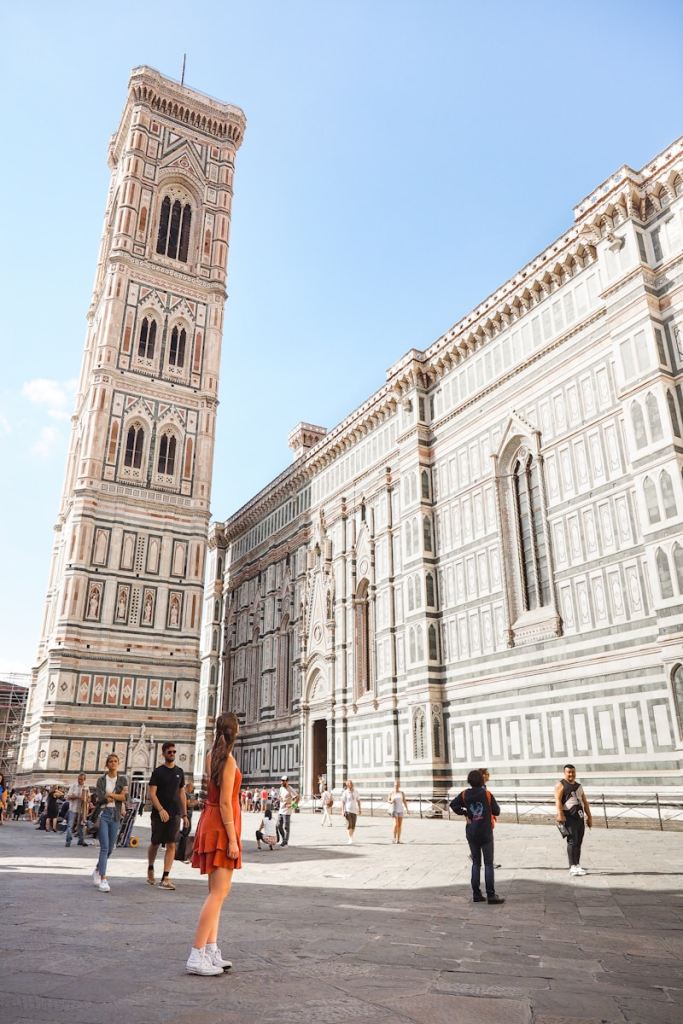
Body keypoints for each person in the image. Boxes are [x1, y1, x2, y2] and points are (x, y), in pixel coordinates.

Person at [187, 712, 242, 976]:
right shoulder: (228, 760)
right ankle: (196, 954)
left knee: (216, 893)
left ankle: (210, 950)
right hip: (221, 825)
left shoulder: (212, 756)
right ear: (235, 731)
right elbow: (225, 802)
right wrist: (232, 839)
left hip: (210, 821)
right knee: (218, 893)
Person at [450, 769, 505, 905]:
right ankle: (491, 895)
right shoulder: (486, 794)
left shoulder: (464, 794)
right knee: (488, 864)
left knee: (476, 863)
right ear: (481, 780)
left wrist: (465, 812)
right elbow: (497, 811)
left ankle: (476, 894)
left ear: (469, 781)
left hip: (472, 832)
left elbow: (453, 805)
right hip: (486, 832)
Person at [147, 741, 189, 890]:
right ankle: (150, 867)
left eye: (174, 752)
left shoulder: (179, 772)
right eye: (169, 752)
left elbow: (182, 793)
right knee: (155, 842)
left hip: (174, 813)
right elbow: (152, 793)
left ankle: (165, 877)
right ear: (163, 754)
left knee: (171, 843)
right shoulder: (158, 772)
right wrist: (160, 809)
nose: (172, 754)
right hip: (158, 814)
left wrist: (184, 814)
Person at [93, 753, 128, 892]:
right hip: (104, 814)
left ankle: (98, 869)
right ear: (107, 764)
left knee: (110, 849)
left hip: (115, 815)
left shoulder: (123, 779)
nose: (113, 763)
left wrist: (111, 795)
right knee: (104, 847)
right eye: (110, 761)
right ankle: (103, 879)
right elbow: (100, 797)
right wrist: (111, 797)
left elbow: (125, 797)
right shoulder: (101, 780)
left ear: (118, 763)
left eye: (115, 761)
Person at [555, 764, 592, 876]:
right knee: (572, 841)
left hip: (579, 818)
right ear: (565, 773)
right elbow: (557, 800)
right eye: (569, 772)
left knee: (579, 842)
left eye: (573, 772)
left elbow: (585, 802)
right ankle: (572, 866)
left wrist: (589, 817)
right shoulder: (561, 784)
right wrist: (560, 814)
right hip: (568, 817)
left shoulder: (579, 786)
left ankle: (577, 865)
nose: (571, 774)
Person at [65, 774, 90, 847]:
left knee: (81, 825)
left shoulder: (86, 787)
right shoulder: (73, 786)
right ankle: (68, 840)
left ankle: (81, 840)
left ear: (84, 780)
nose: (80, 781)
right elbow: (68, 796)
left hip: (82, 809)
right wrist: (78, 797)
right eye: (79, 779)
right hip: (73, 808)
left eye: (81, 779)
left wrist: (87, 799)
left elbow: (89, 797)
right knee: (70, 825)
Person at [277, 775, 298, 847]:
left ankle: (285, 841)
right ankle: (284, 839)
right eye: (281, 780)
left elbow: (297, 797)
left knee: (286, 827)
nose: (282, 782)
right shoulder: (281, 788)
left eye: (283, 781)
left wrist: (293, 806)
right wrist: (279, 798)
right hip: (281, 810)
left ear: (287, 781)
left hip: (287, 811)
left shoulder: (290, 789)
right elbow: (279, 796)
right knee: (278, 825)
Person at [341, 780, 361, 845]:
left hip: (354, 811)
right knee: (349, 825)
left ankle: (351, 837)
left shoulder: (356, 791)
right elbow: (343, 801)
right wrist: (342, 810)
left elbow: (358, 800)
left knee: (353, 826)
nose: (351, 785)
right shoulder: (345, 792)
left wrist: (359, 809)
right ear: (347, 785)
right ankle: (350, 839)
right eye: (349, 784)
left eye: (351, 784)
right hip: (347, 810)